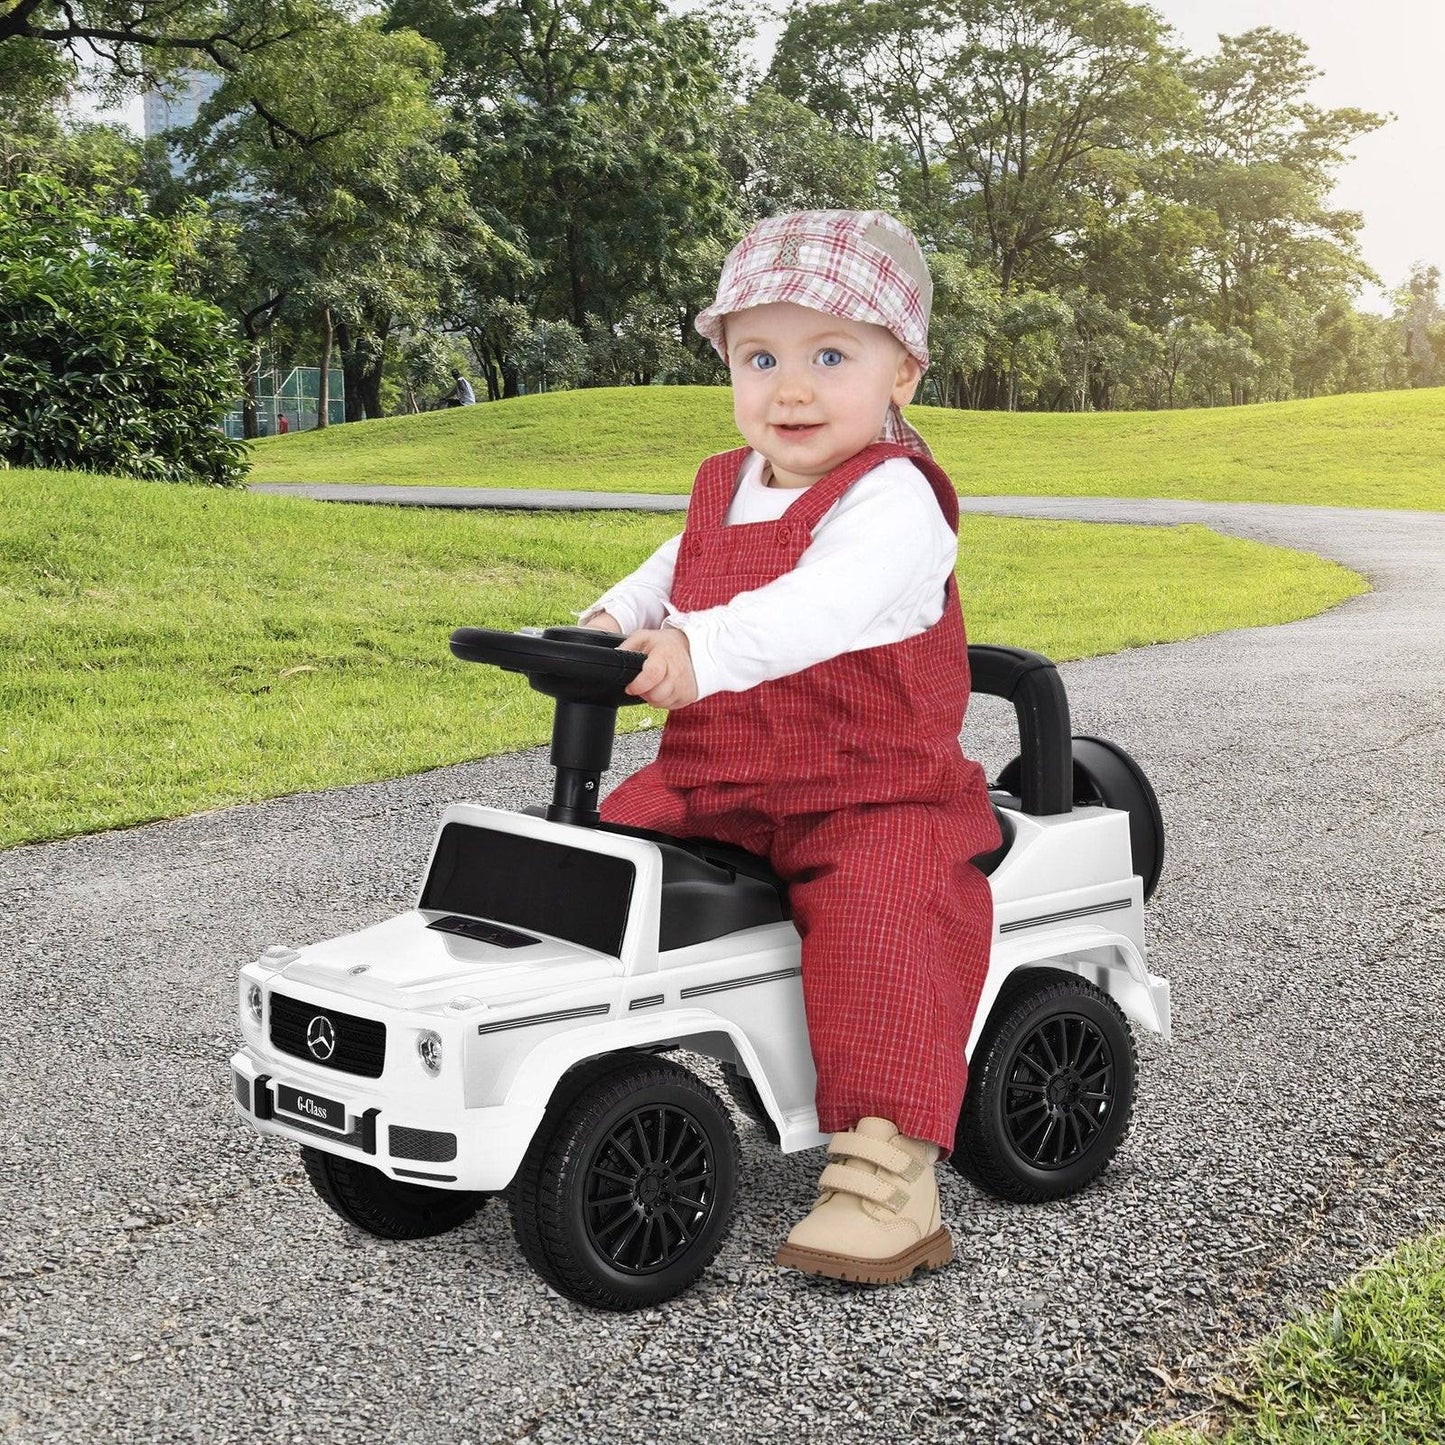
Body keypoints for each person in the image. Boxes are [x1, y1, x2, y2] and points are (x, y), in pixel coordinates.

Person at [579, 210, 1001, 1286]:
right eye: (759, 358)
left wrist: (698, 648)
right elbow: (670, 569)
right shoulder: (727, 481)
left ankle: (888, 1170)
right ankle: (568, 1072)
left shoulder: (895, 501)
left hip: (870, 790)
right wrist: (604, 624)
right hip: (716, 779)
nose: (791, 390)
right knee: (588, 863)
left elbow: (822, 604)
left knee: (883, 912)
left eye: (830, 356)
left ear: (903, 372)